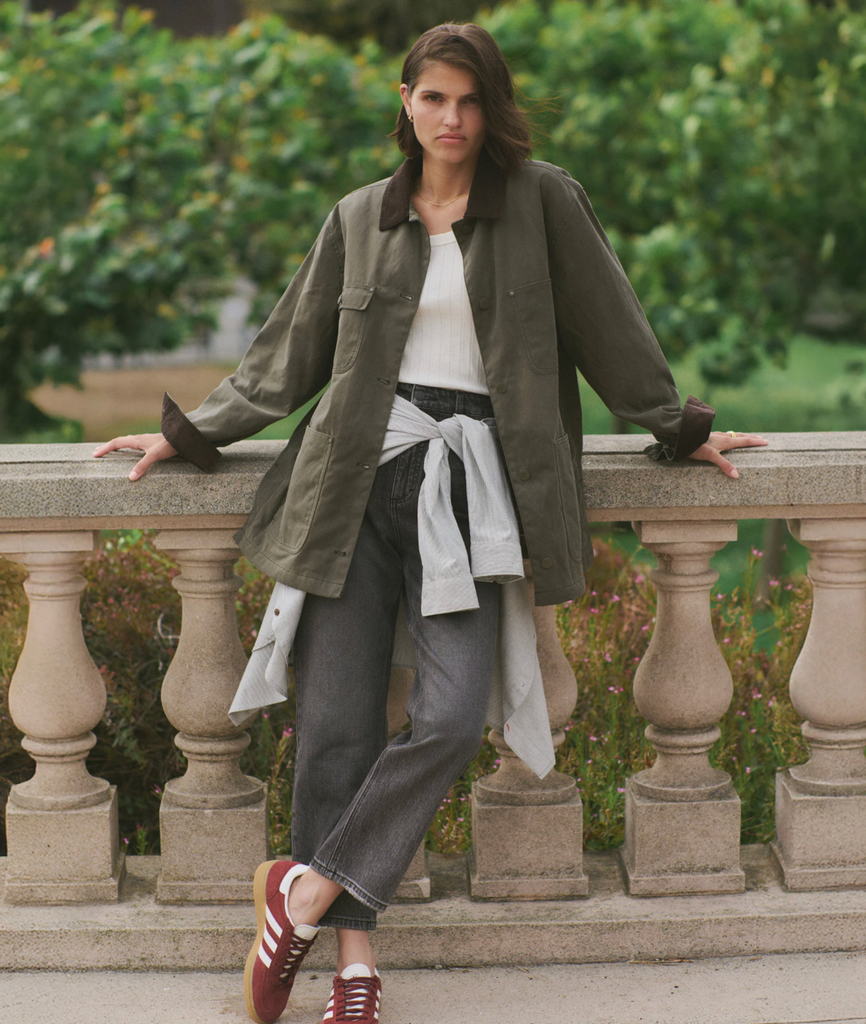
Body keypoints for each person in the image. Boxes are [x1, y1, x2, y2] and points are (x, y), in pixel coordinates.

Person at [94, 22, 766, 1024]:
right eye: (433, 98)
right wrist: (191, 433)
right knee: (334, 723)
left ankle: (303, 892)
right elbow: (286, 356)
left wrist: (676, 426)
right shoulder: (360, 216)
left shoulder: (543, 202)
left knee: (451, 714)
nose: (451, 119)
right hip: (355, 482)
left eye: (469, 99)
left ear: (491, 106)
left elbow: (611, 331)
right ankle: (352, 961)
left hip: (470, 489)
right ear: (404, 103)